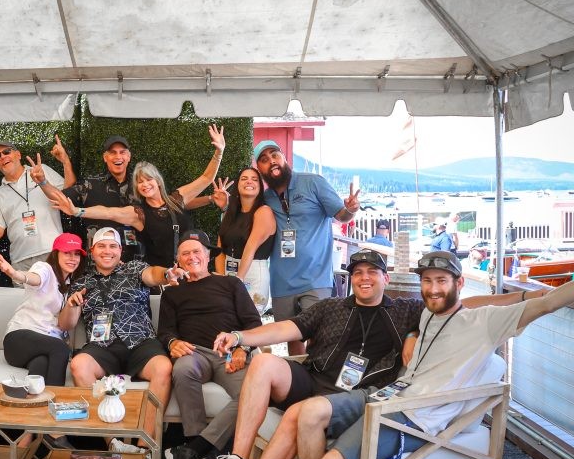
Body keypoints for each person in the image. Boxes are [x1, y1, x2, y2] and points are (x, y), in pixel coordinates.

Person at [175, 250, 574, 459]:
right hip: (381, 396)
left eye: (442, 282)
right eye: (427, 282)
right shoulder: (426, 315)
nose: (433, 289)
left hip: (409, 415)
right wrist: (243, 337)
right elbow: (292, 328)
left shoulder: (473, 318)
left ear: (458, 283)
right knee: (307, 411)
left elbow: (541, 304)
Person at [193, 249, 422, 459]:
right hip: (313, 380)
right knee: (263, 363)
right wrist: (240, 336)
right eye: (357, 273)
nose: (364, 278)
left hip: (355, 396)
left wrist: (413, 332)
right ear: (351, 279)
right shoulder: (331, 307)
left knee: (304, 403)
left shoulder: (405, 310)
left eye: (372, 272)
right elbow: (284, 329)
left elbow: (452, 309)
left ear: (386, 278)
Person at [62, 227, 184, 459]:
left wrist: (167, 273)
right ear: (93, 251)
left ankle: (145, 447)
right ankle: (113, 443)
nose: (108, 251)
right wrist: (72, 305)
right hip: (102, 344)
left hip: (140, 340)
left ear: (120, 250)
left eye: (113, 246)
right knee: (79, 366)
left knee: (163, 368)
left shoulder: (134, 269)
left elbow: (153, 275)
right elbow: (66, 325)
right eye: (102, 246)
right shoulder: (81, 281)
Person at [156, 230, 262, 459]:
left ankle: (191, 452)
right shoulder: (171, 293)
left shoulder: (231, 284)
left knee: (254, 392)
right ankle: (194, 442)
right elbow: (165, 331)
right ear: (178, 261)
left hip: (229, 352)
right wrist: (173, 342)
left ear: (206, 255)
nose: (192, 257)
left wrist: (243, 348)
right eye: (185, 254)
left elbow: (253, 323)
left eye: (196, 252)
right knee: (182, 369)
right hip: (195, 352)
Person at [51, 124, 226, 267]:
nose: (145, 185)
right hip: (159, 274)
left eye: (148, 180)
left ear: (158, 181)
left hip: (190, 266)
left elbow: (205, 178)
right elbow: (107, 212)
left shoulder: (176, 199)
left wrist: (219, 151)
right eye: (139, 182)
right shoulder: (139, 213)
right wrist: (77, 211)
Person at [255, 139, 360, 355]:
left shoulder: (313, 182)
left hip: (316, 278)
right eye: (263, 160)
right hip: (281, 281)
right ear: (260, 169)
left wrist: (351, 210)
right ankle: (299, 385)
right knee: (292, 339)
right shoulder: (264, 198)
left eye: (274, 155)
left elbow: (341, 215)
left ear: (284, 157)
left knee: (319, 336)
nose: (271, 161)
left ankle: (318, 382)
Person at [0, 140, 75, 278]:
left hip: (51, 252)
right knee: (24, 300)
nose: (2, 157)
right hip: (20, 261)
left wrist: (65, 161)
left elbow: (68, 193)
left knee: (56, 298)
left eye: (6, 152)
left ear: (18, 154)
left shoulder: (41, 170)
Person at [0, 232, 86, 388]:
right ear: (56, 254)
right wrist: (14, 273)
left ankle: (34, 405)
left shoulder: (72, 285)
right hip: (18, 340)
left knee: (41, 365)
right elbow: (34, 278)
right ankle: (58, 401)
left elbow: (67, 324)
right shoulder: (45, 268)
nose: (72, 258)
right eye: (67, 253)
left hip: (42, 348)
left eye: (76, 254)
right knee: (60, 349)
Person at [60, 135, 140, 259]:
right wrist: (43, 182)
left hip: (134, 264)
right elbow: (63, 199)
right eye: (113, 152)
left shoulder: (142, 185)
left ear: (128, 157)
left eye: (122, 152)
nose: (118, 156)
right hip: (97, 264)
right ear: (105, 157)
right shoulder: (91, 183)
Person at [216, 166, 277, 317]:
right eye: (244, 178)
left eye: (254, 179)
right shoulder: (231, 213)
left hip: (253, 273)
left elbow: (251, 246)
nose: (249, 181)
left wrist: (238, 280)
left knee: (249, 323)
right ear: (237, 184)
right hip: (229, 272)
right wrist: (222, 279)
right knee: (228, 321)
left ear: (260, 187)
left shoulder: (264, 211)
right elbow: (220, 249)